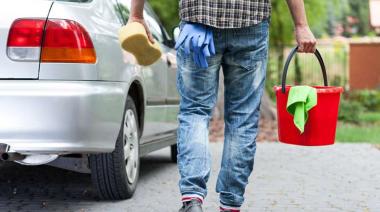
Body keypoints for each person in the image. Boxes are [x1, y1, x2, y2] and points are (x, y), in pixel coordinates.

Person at [129, 0, 317, 211]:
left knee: (195, 111)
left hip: (198, 21)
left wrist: (136, 16)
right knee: (243, 118)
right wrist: (301, 25)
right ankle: (230, 204)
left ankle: (192, 199)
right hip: (249, 20)